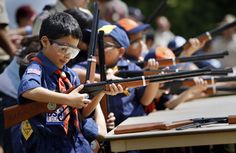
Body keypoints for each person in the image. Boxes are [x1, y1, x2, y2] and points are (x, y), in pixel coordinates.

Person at [11, 12, 122, 153]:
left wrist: (101, 91)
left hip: (76, 143)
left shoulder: (70, 74)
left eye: (73, 51)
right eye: (64, 49)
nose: (68, 56)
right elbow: (29, 90)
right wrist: (68, 99)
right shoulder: (36, 69)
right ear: (45, 42)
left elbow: (85, 112)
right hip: (49, 144)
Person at [73, 24, 159, 128]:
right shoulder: (90, 65)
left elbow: (146, 101)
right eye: (95, 44)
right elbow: (74, 72)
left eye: (103, 45)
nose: (96, 48)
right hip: (104, 128)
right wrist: (105, 79)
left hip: (134, 124)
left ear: (121, 51)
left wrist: (154, 76)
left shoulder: (131, 68)